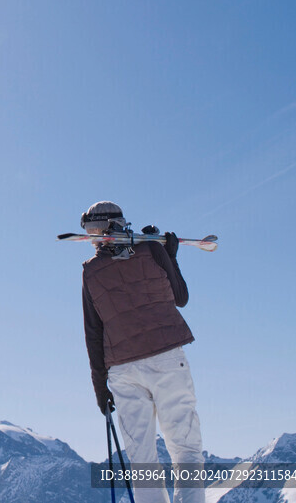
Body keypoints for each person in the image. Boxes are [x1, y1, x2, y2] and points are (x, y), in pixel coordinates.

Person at [80, 201, 205, 503]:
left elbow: (93, 335)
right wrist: (170, 256)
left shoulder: (91, 271)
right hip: (166, 359)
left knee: (142, 459)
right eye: (88, 231)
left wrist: (101, 388)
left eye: (95, 230)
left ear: (111, 226)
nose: (93, 237)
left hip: (124, 372)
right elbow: (181, 297)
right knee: (185, 446)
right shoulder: (152, 250)